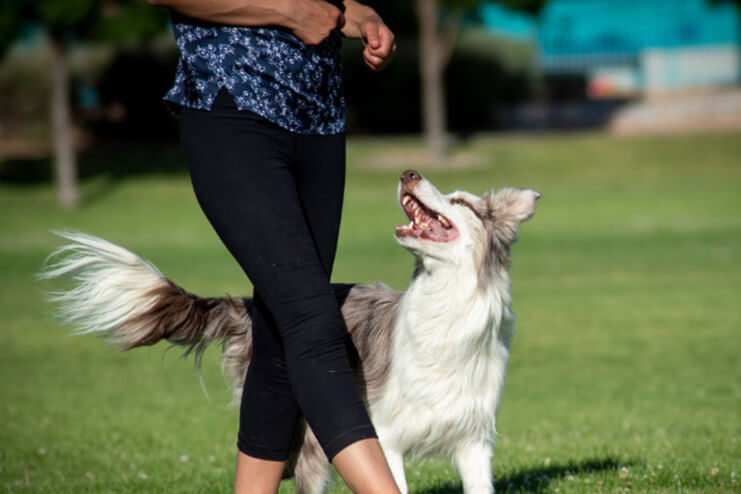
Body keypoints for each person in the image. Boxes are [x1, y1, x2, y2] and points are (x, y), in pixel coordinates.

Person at [145, 0, 399, 492]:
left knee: (281, 337)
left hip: (320, 123)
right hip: (234, 108)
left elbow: (328, 7)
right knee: (312, 321)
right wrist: (286, 12)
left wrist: (366, 21)